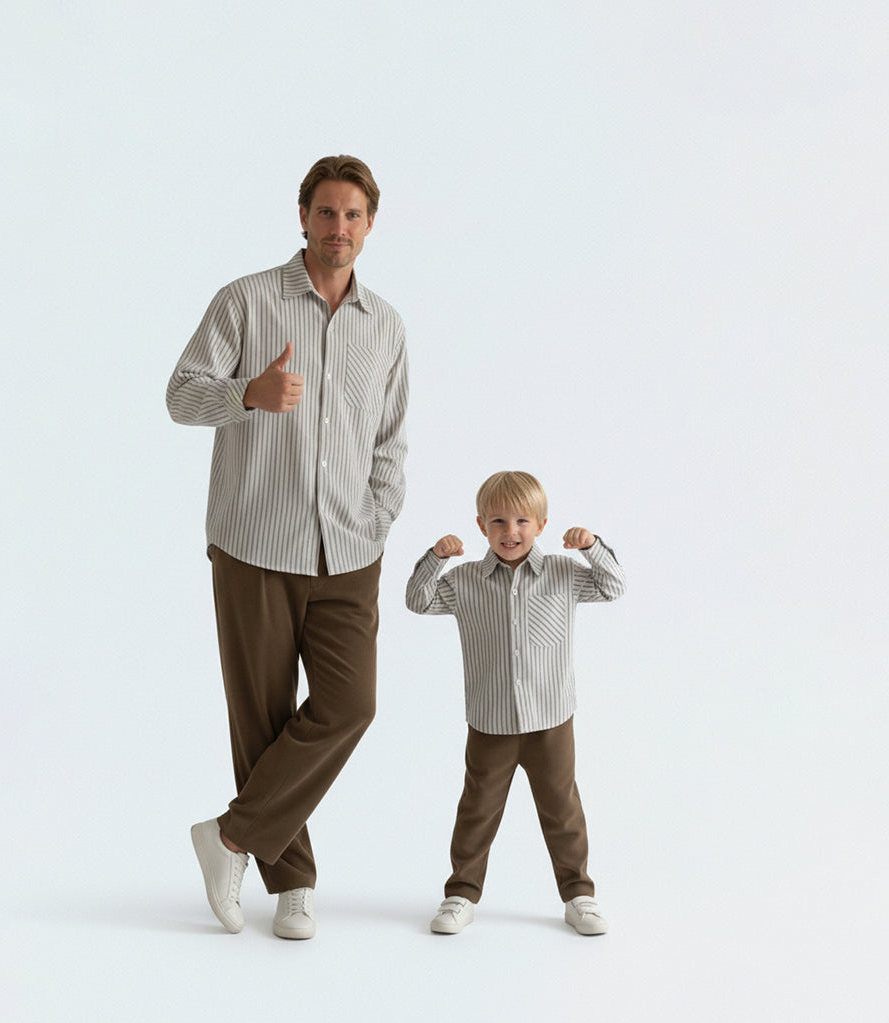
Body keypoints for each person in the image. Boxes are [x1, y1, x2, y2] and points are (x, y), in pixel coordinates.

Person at [166, 155, 408, 940]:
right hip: (254, 541)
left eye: (354, 216)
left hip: (350, 548)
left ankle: (233, 836)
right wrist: (247, 394)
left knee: (350, 705)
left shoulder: (387, 326)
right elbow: (179, 395)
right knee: (264, 718)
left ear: (370, 225)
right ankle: (293, 881)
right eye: (327, 213)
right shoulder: (245, 301)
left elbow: (390, 440)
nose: (339, 229)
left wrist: (377, 517)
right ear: (301, 215)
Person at [405, 470, 624, 936]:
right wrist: (435, 558)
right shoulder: (465, 581)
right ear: (482, 524)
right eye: (499, 521)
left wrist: (591, 547)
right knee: (477, 810)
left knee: (562, 809)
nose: (511, 532)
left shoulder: (565, 573)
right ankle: (460, 894)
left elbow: (613, 587)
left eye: (522, 521)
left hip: (550, 719)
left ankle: (578, 894)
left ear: (541, 525)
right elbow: (418, 601)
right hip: (490, 721)